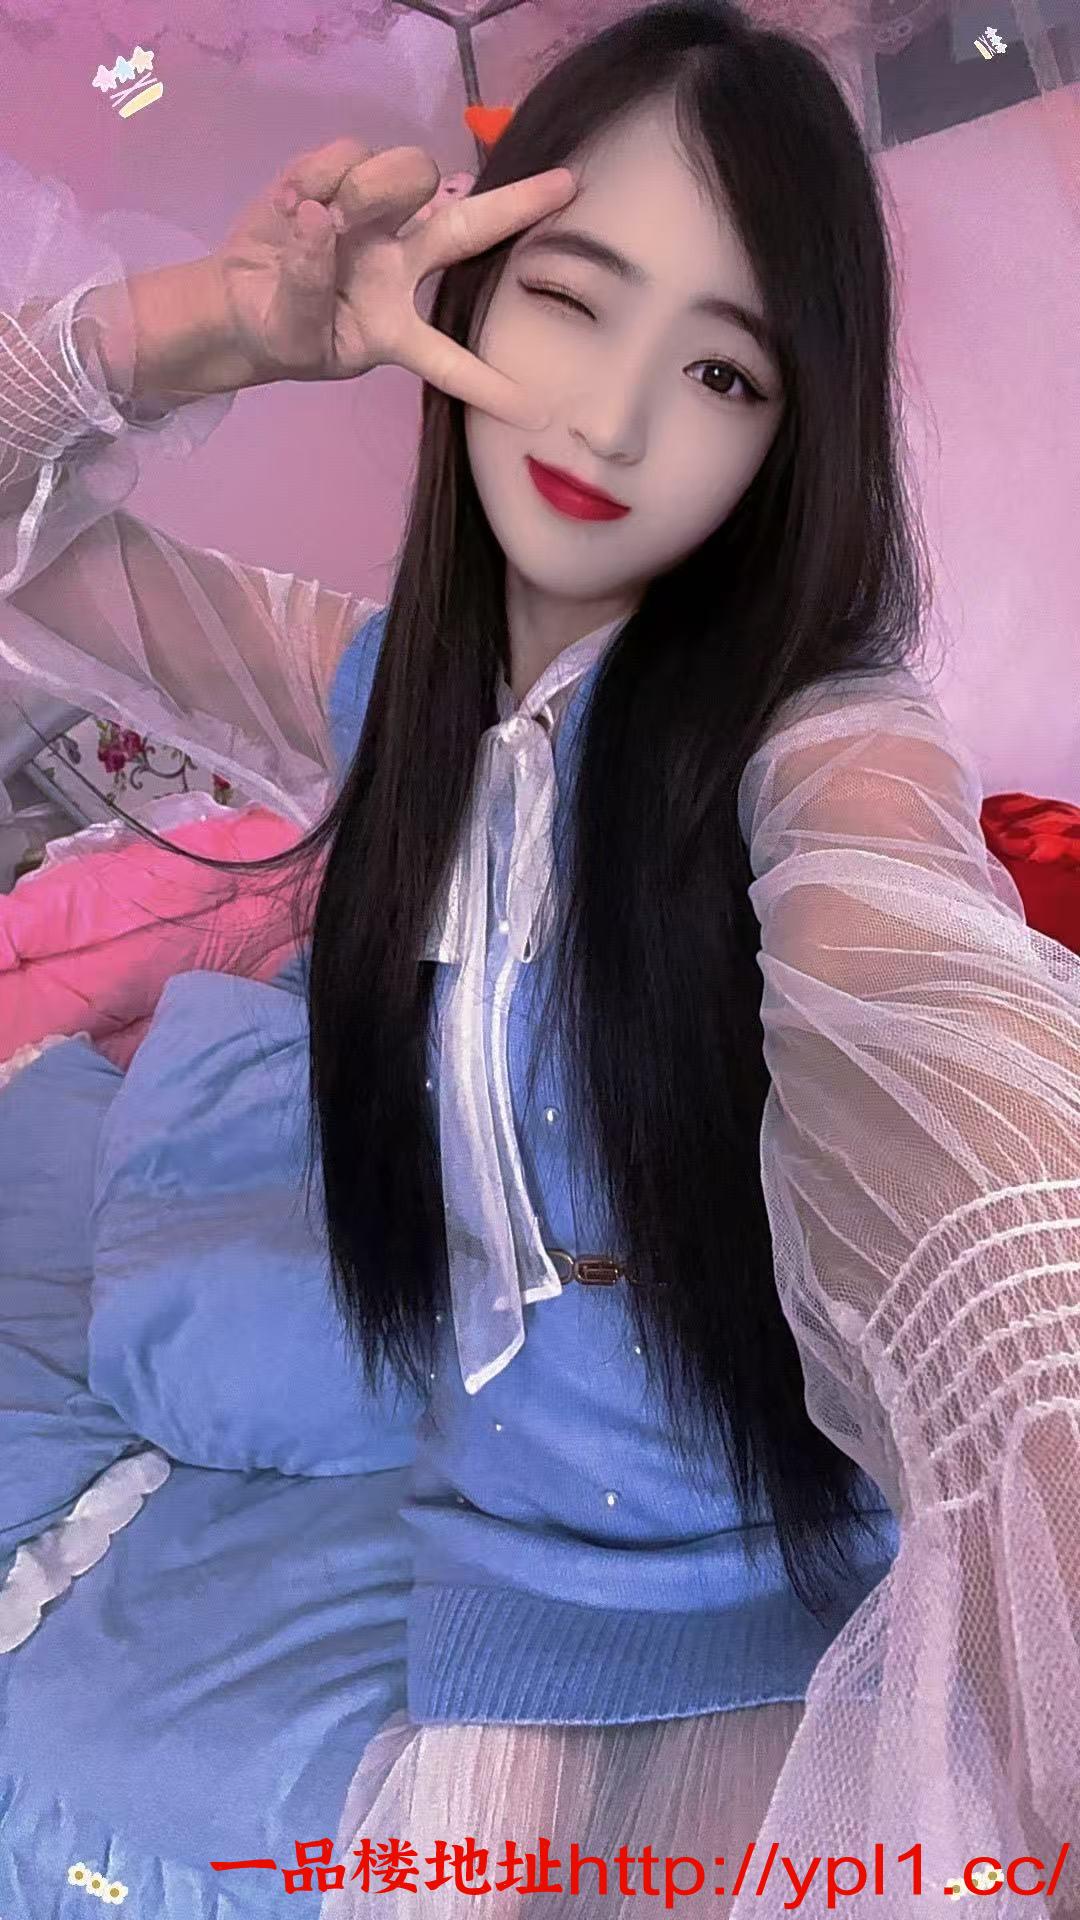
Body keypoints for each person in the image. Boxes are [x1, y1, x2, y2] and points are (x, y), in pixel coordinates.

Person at [1, 2, 1079, 1914]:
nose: (610, 419)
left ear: (794, 436)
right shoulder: (375, 686)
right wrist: (224, 329)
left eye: (724, 370)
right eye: (571, 302)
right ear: (472, 291)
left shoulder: (824, 737)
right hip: (502, 1616)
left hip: (803, 1618)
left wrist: (1034, 1365)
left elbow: (934, 1018)